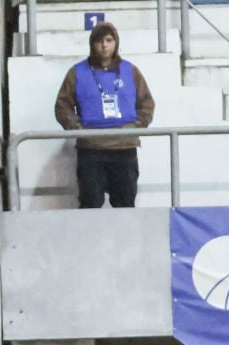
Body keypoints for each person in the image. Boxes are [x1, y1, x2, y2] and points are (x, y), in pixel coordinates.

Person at [54, 21, 155, 209]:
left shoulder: (131, 71)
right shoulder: (77, 72)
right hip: (91, 149)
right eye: (99, 41)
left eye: (109, 40)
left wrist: (136, 126)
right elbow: (62, 105)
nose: (104, 45)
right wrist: (77, 128)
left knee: (125, 204)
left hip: (124, 148)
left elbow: (147, 103)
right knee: (90, 204)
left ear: (116, 43)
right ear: (92, 44)